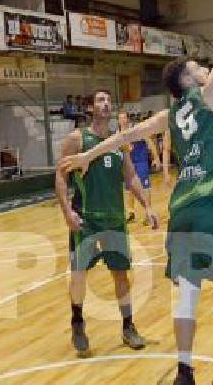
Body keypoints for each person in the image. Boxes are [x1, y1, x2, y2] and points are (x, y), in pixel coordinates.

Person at [59, 0, 213, 384]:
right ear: (189, 81)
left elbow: (126, 135)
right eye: (198, 67)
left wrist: (88, 152)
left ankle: (184, 372)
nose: (207, 68)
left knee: (187, 296)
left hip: (182, 213)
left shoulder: (168, 115)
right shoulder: (209, 94)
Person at [55, 90, 158, 358]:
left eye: (108, 100)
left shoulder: (117, 142)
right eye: (100, 100)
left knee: (121, 274)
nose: (106, 103)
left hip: (114, 219)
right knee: (79, 274)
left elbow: (131, 176)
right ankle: (77, 322)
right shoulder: (77, 139)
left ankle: (128, 326)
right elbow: (61, 177)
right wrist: (67, 211)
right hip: (86, 219)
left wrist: (147, 205)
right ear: (90, 107)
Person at [117, 111, 161, 225]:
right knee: (128, 189)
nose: (122, 120)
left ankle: (148, 213)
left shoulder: (136, 129)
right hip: (128, 164)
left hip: (141, 161)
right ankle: (131, 213)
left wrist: (156, 158)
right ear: (118, 120)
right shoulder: (118, 133)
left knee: (145, 187)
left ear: (128, 119)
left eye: (124, 118)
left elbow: (149, 141)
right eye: (120, 118)